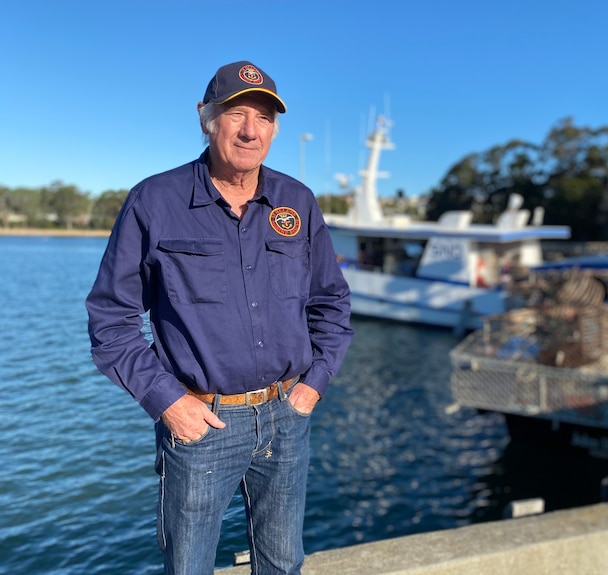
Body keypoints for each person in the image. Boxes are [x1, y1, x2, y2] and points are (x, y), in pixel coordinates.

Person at [86, 60, 354, 575]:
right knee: (189, 567)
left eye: (265, 118)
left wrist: (312, 387)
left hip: (285, 416)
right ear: (206, 118)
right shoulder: (155, 201)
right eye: (237, 114)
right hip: (200, 423)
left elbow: (331, 305)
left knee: (282, 563)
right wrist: (169, 404)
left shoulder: (297, 202)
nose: (252, 130)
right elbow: (110, 320)